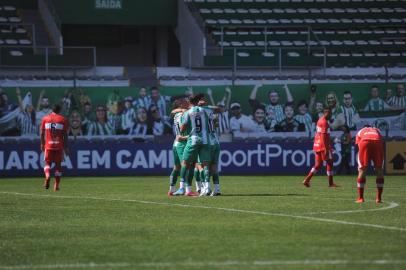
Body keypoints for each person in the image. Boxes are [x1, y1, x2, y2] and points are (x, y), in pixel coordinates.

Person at [173, 94, 210, 197]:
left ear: (189, 102)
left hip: (193, 139)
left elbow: (182, 128)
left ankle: (181, 188)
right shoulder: (204, 110)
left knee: (185, 163)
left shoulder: (188, 113)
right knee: (203, 165)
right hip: (204, 139)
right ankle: (206, 188)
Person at [303, 106, 339, 188]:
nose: (331, 115)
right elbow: (323, 137)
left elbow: (322, 136)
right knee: (330, 162)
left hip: (317, 145)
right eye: (330, 113)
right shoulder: (324, 122)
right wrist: (327, 148)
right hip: (323, 146)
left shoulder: (320, 120)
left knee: (318, 165)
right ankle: (331, 183)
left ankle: (307, 180)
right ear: (326, 112)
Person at [40, 104, 69, 191]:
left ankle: (47, 176)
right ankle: (56, 185)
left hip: (48, 145)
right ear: (59, 110)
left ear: (51, 110)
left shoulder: (45, 118)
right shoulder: (63, 119)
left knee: (47, 163)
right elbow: (65, 135)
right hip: (59, 146)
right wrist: (66, 147)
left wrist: (42, 143)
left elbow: (42, 133)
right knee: (58, 166)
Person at [355, 126, 385, 203]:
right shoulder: (377, 130)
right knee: (379, 170)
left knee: (362, 170)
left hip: (365, 142)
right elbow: (381, 140)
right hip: (377, 141)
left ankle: (361, 198)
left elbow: (359, 145)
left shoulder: (360, 131)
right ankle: (379, 198)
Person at [168, 97, 189, 196]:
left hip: (175, 143)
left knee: (176, 167)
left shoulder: (176, 114)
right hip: (181, 142)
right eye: (186, 102)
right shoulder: (183, 115)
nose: (188, 103)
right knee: (185, 165)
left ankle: (171, 189)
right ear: (181, 105)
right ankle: (182, 188)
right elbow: (182, 130)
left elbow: (173, 111)